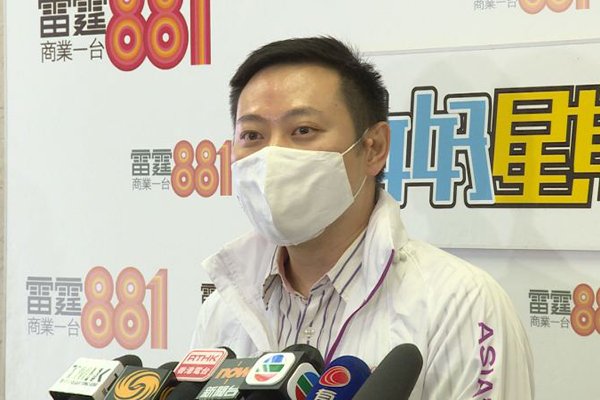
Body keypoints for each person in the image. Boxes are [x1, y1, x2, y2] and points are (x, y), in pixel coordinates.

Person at [191, 36, 534, 399]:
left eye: (303, 130)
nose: (272, 156)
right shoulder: (224, 308)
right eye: (252, 135)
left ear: (374, 148)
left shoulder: (460, 305)